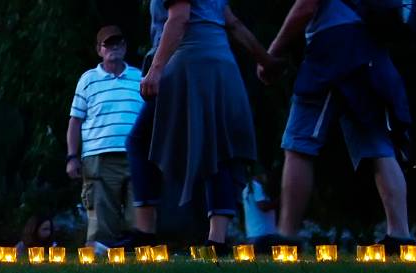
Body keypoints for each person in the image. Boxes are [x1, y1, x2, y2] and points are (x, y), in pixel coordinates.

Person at [260, 0, 414, 250]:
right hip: (371, 52)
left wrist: (274, 51)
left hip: (332, 50)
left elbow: (306, 7)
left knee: (299, 142)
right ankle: (400, 236)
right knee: (378, 144)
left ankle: (286, 236)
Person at [131, 0, 279, 253]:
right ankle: (217, 240)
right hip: (222, 66)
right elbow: (233, 23)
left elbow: (179, 18)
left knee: (141, 141)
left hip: (189, 64)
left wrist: (155, 70)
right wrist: (266, 61)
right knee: (217, 149)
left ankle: (145, 233)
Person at [67, 25, 142, 249]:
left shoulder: (139, 77)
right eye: (108, 44)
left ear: (125, 47)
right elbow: (75, 121)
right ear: (99, 50)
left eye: (118, 43)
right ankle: (99, 266)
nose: (113, 48)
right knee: (101, 221)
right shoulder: (88, 80)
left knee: (139, 216)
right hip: (98, 158)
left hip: (136, 156)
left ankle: (137, 260)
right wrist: (71, 157)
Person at [242, 170, 277, 244]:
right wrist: (282, 200)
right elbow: (263, 206)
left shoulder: (248, 187)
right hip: (263, 235)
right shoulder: (256, 186)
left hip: (253, 235)